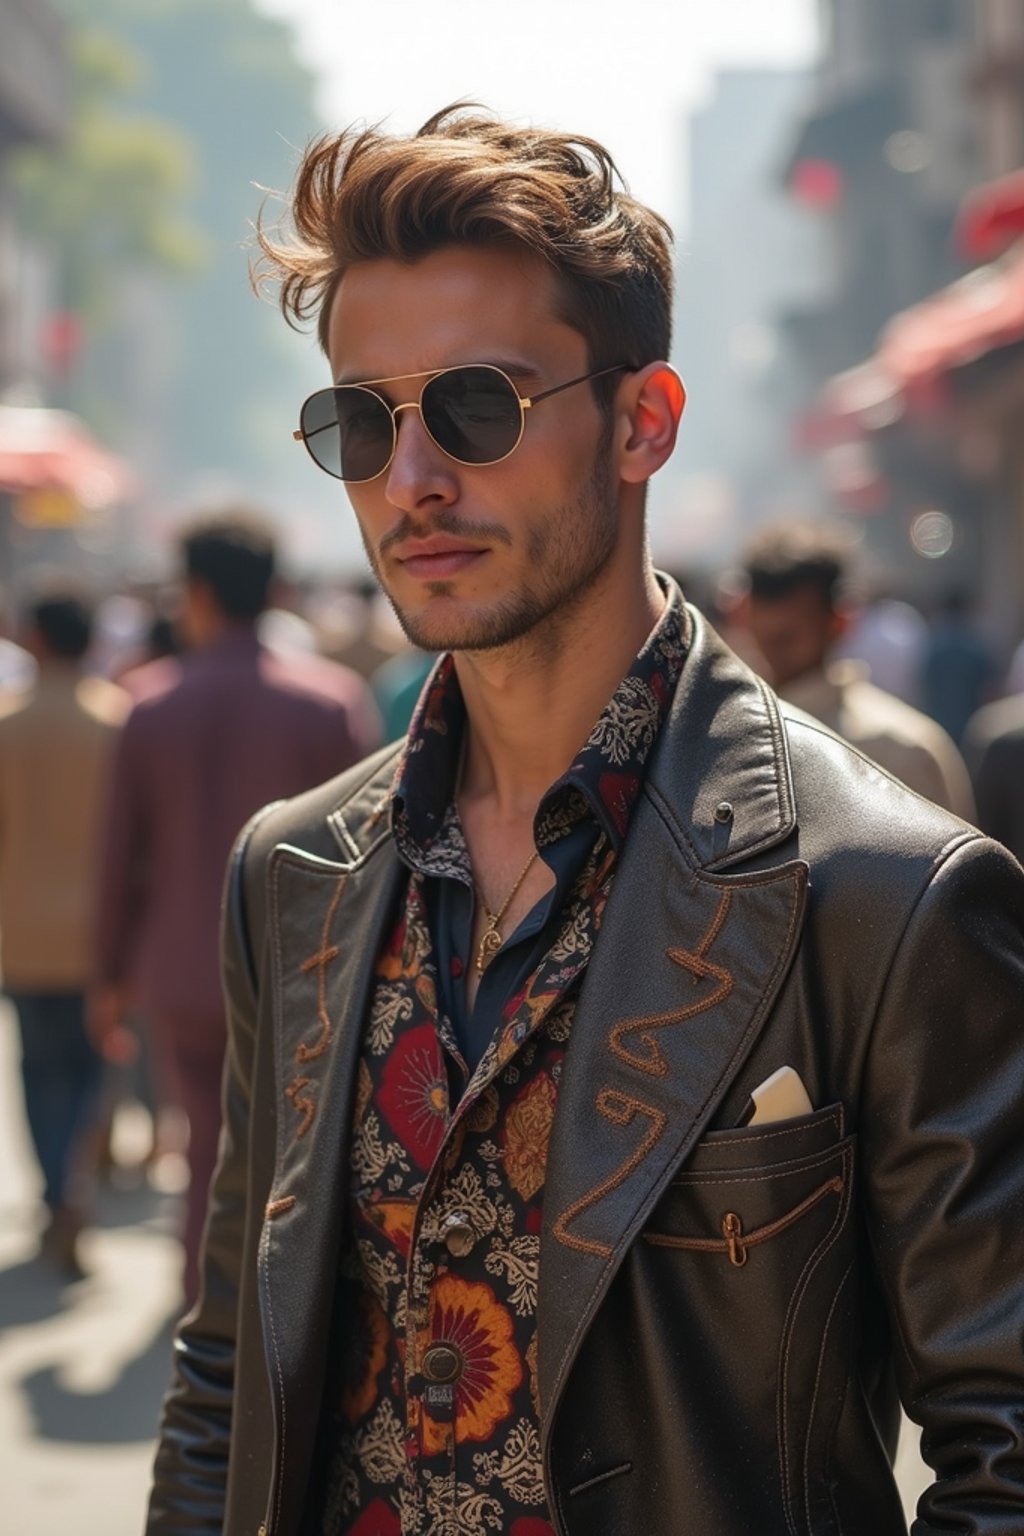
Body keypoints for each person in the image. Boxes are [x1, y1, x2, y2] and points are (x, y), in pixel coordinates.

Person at [146, 108, 1024, 1535]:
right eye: (363, 422)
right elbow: (231, 1368)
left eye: (477, 406)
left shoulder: (880, 892)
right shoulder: (294, 872)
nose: (414, 477)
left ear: (644, 423)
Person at [93, 512, 381, 1307]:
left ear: (195, 592)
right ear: (276, 591)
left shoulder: (147, 706)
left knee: (205, 1149)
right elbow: (366, 857)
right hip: (305, 972)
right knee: (290, 1153)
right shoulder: (329, 703)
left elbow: (119, 860)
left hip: (182, 969)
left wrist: (108, 980)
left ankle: (207, 1316)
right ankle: (279, 1312)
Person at [0, 590, 129, 1274]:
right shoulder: (120, 721)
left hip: (21, 928)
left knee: (37, 1070)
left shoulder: (8, 723)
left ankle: (57, 1191)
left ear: (36, 639)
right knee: (91, 1067)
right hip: (100, 933)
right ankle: (77, 1181)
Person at [737, 522, 976, 819]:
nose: (776, 644)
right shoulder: (727, 730)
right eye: (769, 632)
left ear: (839, 622)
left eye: (791, 634)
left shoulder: (901, 749)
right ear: (744, 613)